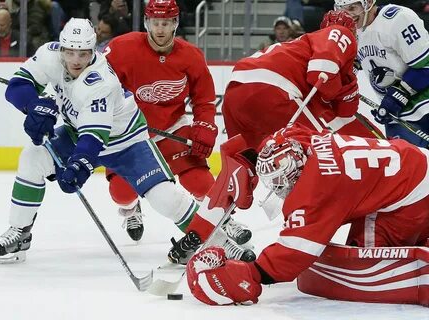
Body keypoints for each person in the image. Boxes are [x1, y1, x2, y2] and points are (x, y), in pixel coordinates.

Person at [0, 18, 255, 266]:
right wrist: (34, 106)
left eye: (84, 53)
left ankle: (220, 243)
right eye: (70, 52)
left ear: (94, 52)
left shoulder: (100, 81)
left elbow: (94, 138)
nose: (76, 60)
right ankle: (19, 233)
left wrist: (78, 167)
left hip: (126, 142)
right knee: (32, 158)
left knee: (165, 199)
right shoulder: (49, 54)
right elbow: (18, 85)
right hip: (77, 131)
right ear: (61, 48)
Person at [186, 123, 429, 305]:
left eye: (283, 179)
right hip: (413, 162)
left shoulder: (317, 188)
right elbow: (281, 136)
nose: (281, 187)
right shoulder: (297, 140)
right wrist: (250, 158)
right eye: (274, 180)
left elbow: (296, 252)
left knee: (365, 258)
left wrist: (254, 272)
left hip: (413, 194)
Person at [102, 0, 252, 245]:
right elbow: (98, 84)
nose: (160, 29)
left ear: (176, 23)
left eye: (166, 23)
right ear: (146, 23)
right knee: (121, 193)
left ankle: (224, 218)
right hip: (131, 133)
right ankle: (130, 210)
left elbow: (203, 99)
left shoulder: (191, 56)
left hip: (172, 127)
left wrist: (205, 127)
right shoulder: (121, 49)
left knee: (198, 179)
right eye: (155, 23)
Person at [222, 10, 379, 151]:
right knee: (322, 153)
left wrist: (344, 85)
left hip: (234, 93)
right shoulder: (340, 32)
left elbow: (342, 110)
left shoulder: (300, 45)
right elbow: (320, 76)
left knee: (243, 163)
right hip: (272, 88)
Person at [335, 0, 429, 148]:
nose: (347, 14)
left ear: (368, 3)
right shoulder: (352, 30)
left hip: (424, 106)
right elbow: (358, 59)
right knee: (408, 168)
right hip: (396, 116)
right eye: (342, 9)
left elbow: (426, 65)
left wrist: (398, 95)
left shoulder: (398, 19)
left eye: (352, 8)